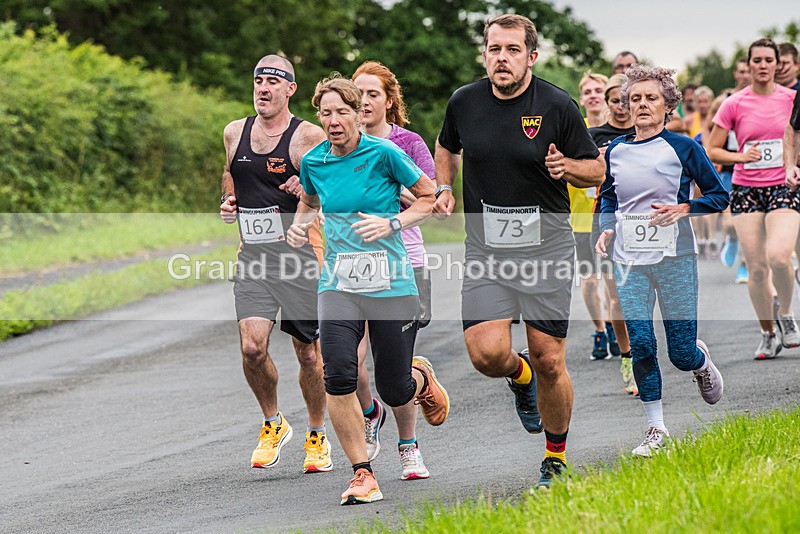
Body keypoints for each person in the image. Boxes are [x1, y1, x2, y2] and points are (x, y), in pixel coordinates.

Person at [433, 14, 605, 489]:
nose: (501, 58)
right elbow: (445, 148)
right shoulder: (464, 102)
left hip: (547, 249)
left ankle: (555, 457)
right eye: (494, 49)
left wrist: (566, 166)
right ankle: (519, 374)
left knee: (551, 357)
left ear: (531, 56)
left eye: (512, 50)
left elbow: (596, 171)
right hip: (487, 251)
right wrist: (444, 186)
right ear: (484, 53)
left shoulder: (556, 104)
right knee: (487, 355)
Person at [288, 74, 449, 505]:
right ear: (318, 117)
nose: (334, 120)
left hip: (392, 282)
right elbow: (308, 201)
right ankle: (363, 473)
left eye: (343, 111)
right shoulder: (315, 161)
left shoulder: (385, 153)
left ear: (358, 112)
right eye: (326, 112)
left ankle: (421, 378)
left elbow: (427, 197)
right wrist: (300, 226)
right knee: (337, 374)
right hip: (338, 282)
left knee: (394, 388)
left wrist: (392, 222)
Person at [596, 65, 729, 457]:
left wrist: (684, 208)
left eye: (650, 98)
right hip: (629, 260)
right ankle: (656, 428)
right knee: (640, 342)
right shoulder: (616, 151)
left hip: (676, 257)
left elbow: (719, 196)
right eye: (634, 98)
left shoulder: (684, 148)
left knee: (680, 352)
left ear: (668, 104)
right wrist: (606, 228)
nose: (641, 105)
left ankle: (700, 362)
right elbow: (608, 199)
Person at [218, 55, 331, 473]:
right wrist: (229, 200)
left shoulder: (308, 136)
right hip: (254, 259)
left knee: (307, 354)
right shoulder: (235, 132)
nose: (262, 88)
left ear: (290, 89)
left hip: (301, 258)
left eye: (272, 82)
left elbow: (330, 185)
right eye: (257, 80)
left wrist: (307, 186)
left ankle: (317, 433)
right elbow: (230, 174)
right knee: (252, 348)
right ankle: (273, 422)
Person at [351, 60, 435, 480]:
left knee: (394, 376)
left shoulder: (408, 142)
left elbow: (431, 199)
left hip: (405, 261)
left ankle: (409, 445)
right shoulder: (339, 144)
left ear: (389, 100)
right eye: (358, 93)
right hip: (353, 265)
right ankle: (370, 414)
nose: (363, 102)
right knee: (349, 359)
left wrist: (390, 191)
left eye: (372, 94)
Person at [707, 38, 800, 360]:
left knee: (779, 256)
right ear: (749, 66)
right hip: (746, 189)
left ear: (778, 64)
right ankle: (767, 332)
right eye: (756, 61)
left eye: (767, 60)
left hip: (783, 186)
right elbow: (712, 149)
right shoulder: (735, 102)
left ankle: (785, 314)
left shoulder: (792, 99)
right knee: (758, 269)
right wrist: (741, 156)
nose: (762, 66)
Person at [588, 73, 636, 393]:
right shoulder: (594, 135)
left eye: (626, 99)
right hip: (606, 216)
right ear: (606, 104)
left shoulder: (647, 132)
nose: (620, 106)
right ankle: (628, 357)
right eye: (614, 100)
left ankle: (647, 348)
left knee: (645, 291)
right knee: (616, 296)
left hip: (643, 220)